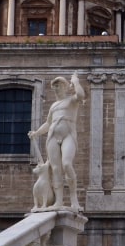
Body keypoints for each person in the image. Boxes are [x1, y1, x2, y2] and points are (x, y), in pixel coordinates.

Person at [29, 72, 85, 211]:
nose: (57, 88)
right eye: (55, 86)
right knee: (55, 169)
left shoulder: (72, 100)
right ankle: (58, 201)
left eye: (59, 85)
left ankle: (74, 201)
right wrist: (36, 133)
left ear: (66, 87)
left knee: (66, 164)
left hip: (68, 136)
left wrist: (76, 81)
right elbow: (48, 123)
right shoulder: (53, 106)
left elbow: (81, 95)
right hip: (53, 136)